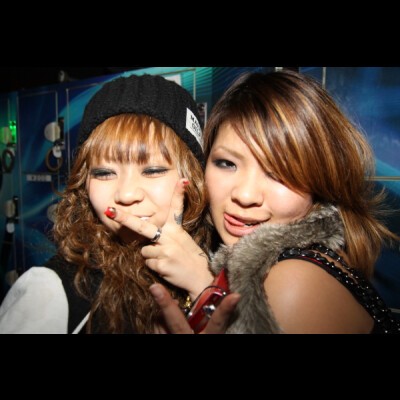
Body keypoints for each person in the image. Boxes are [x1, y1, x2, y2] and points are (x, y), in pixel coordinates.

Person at [113, 70, 400, 334]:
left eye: (279, 173)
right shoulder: (288, 257)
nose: (245, 195)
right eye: (227, 163)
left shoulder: (294, 282)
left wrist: (204, 286)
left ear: (321, 180)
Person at [0, 73, 237, 334]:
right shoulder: (48, 292)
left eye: (153, 170)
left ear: (192, 176)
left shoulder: (225, 270)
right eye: (104, 173)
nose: (126, 194)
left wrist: (205, 287)